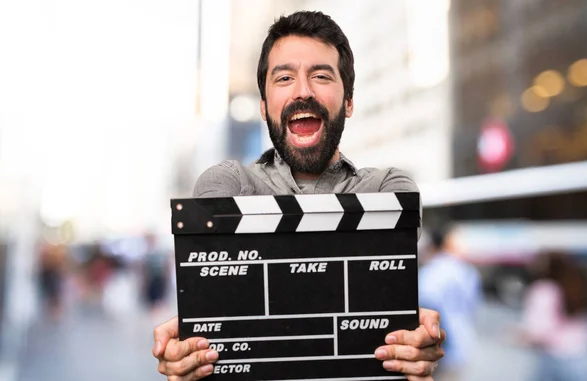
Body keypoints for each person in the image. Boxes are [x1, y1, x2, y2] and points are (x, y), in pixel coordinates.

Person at [152, 11, 445, 380]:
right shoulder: (227, 184)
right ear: (263, 106)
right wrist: (188, 345)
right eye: (285, 77)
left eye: (321, 76)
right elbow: (219, 309)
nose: (303, 90)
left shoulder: (389, 190)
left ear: (349, 101)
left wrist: (415, 343)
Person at [515, 251, 587, 381]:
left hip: (553, 355)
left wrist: (520, 336)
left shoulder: (543, 289)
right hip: (580, 354)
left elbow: (539, 329)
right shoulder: (577, 283)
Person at [418, 225, 482, 381]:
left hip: (441, 350)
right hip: (463, 344)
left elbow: (427, 311)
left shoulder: (431, 272)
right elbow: (473, 306)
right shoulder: (467, 271)